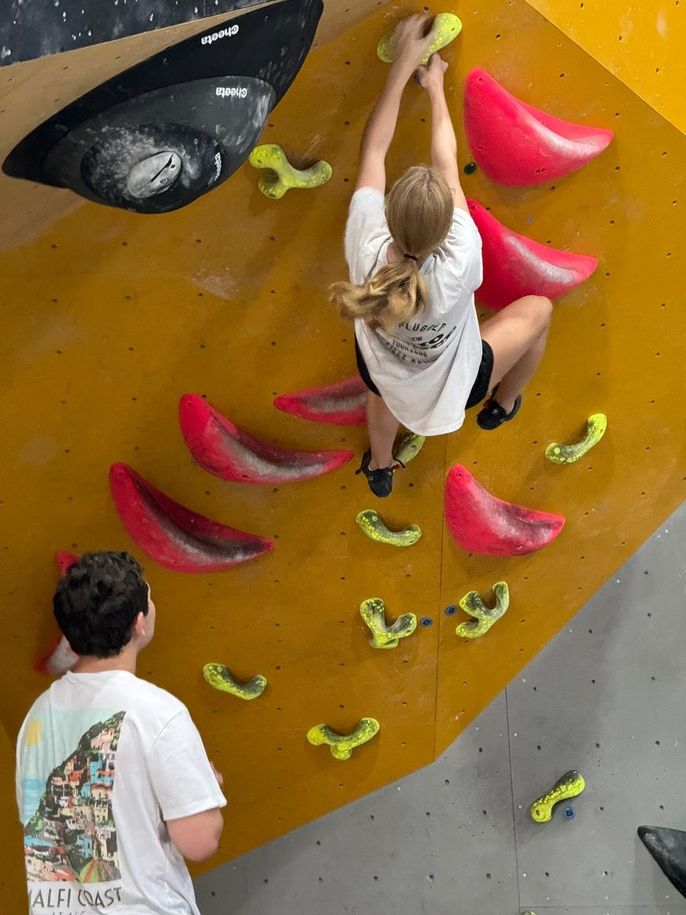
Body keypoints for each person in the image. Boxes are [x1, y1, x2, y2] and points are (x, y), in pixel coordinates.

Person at [331, 15, 553, 497]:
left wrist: (401, 65)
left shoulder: (367, 247)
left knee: (383, 389)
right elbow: (446, 162)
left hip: (381, 368)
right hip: (458, 388)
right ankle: (505, 403)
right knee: (541, 311)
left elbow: (374, 150)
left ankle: (381, 466)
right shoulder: (462, 258)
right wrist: (434, 86)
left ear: (388, 214)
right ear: (445, 230)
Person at [15, 551, 226, 915]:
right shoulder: (159, 713)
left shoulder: (36, 719)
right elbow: (199, 841)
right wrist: (204, 790)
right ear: (139, 623)